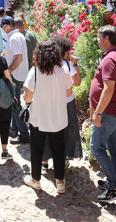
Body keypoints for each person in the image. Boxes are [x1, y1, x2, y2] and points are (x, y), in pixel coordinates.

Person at [22, 41, 73, 194]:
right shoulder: (63, 71)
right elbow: (69, 93)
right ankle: (60, 182)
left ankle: (36, 180)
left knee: (36, 149)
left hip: (39, 117)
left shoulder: (35, 72)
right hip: (58, 117)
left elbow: (27, 97)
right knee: (58, 149)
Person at [89, 25, 116, 203]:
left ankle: (114, 186)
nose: (98, 41)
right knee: (114, 148)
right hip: (115, 112)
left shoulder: (109, 59)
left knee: (96, 147)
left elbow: (108, 89)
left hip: (107, 112)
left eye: (99, 38)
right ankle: (113, 182)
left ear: (106, 38)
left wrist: (97, 113)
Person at [41, 36, 82, 169]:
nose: (70, 54)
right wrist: (75, 64)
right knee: (66, 131)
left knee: (48, 130)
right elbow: (77, 82)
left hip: (49, 102)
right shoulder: (67, 65)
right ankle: (63, 158)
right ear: (63, 51)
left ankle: (45, 160)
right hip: (66, 103)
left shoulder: (45, 63)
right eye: (68, 51)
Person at [1, 17, 30, 143]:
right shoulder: (17, 35)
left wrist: (9, 71)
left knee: (15, 106)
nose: (2, 28)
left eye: (2, 25)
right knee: (14, 104)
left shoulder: (14, 37)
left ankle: (24, 134)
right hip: (18, 74)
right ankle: (14, 129)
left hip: (15, 75)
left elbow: (18, 58)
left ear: (8, 25)